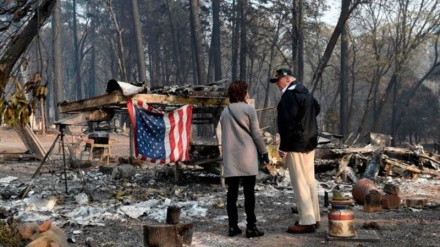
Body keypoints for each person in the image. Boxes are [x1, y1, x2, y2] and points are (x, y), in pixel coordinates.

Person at [269, 68, 321, 234]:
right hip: (310, 141)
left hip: (296, 143)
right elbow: (316, 108)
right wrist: (307, 125)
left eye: (278, 80)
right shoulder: (305, 92)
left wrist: (283, 146)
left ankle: (306, 220)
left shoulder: (289, 97)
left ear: (286, 79)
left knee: (299, 182)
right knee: (309, 180)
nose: (277, 84)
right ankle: (315, 216)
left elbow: (287, 124)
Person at [219, 80, 270, 238]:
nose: (248, 94)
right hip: (247, 157)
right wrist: (264, 152)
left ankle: (233, 227)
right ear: (243, 93)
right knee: (249, 194)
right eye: (246, 91)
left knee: (232, 194)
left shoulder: (225, 112)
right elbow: (256, 134)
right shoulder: (249, 110)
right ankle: (251, 227)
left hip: (230, 158)